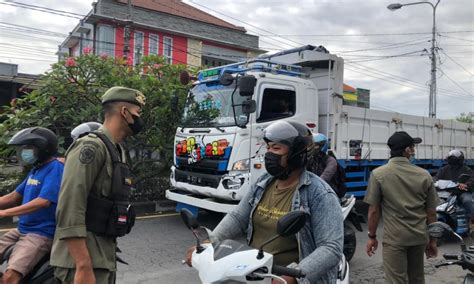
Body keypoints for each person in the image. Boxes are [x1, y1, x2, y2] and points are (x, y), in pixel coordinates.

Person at [185, 121, 344, 283]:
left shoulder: (320, 194)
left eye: (276, 148)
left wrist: (293, 276)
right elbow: (238, 217)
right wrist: (208, 244)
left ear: (297, 153)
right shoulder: (263, 183)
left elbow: (331, 248)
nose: (269, 154)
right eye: (268, 148)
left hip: (283, 278)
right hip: (254, 274)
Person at [50, 86, 146, 284]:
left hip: (102, 254)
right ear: (125, 113)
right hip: (81, 260)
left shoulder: (117, 150)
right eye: (138, 113)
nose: (140, 118)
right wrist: (83, 265)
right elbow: (70, 206)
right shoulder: (91, 147)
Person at [364, 131, 439, 284]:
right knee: (417, 279)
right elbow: (431, 213)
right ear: (406, 150)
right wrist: (433, 240)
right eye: (412, 147)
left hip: (395, 239)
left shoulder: (378, 174)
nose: (414, 150)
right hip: (419, 238)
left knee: (396, 281)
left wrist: (372, 237)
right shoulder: (424, 175)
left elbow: (373, 211)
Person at [0, 127, 63, 284]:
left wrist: (5, 213)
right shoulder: (36, 170)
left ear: (42, 148)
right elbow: (14, 197)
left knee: (10, 278)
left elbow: (44, 201)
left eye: (27, 148)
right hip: (22, 229)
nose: (23, 152)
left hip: (40, 234)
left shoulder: (55, 168)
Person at [434, 149, 474, 230]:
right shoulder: (444, 169)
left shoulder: (467, 169)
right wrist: (433, 182)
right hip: (447, 191)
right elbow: (436, 178)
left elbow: (471, 180)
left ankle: (471, 220)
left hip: (461, 192)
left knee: (467, 200)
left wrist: (466, 185)